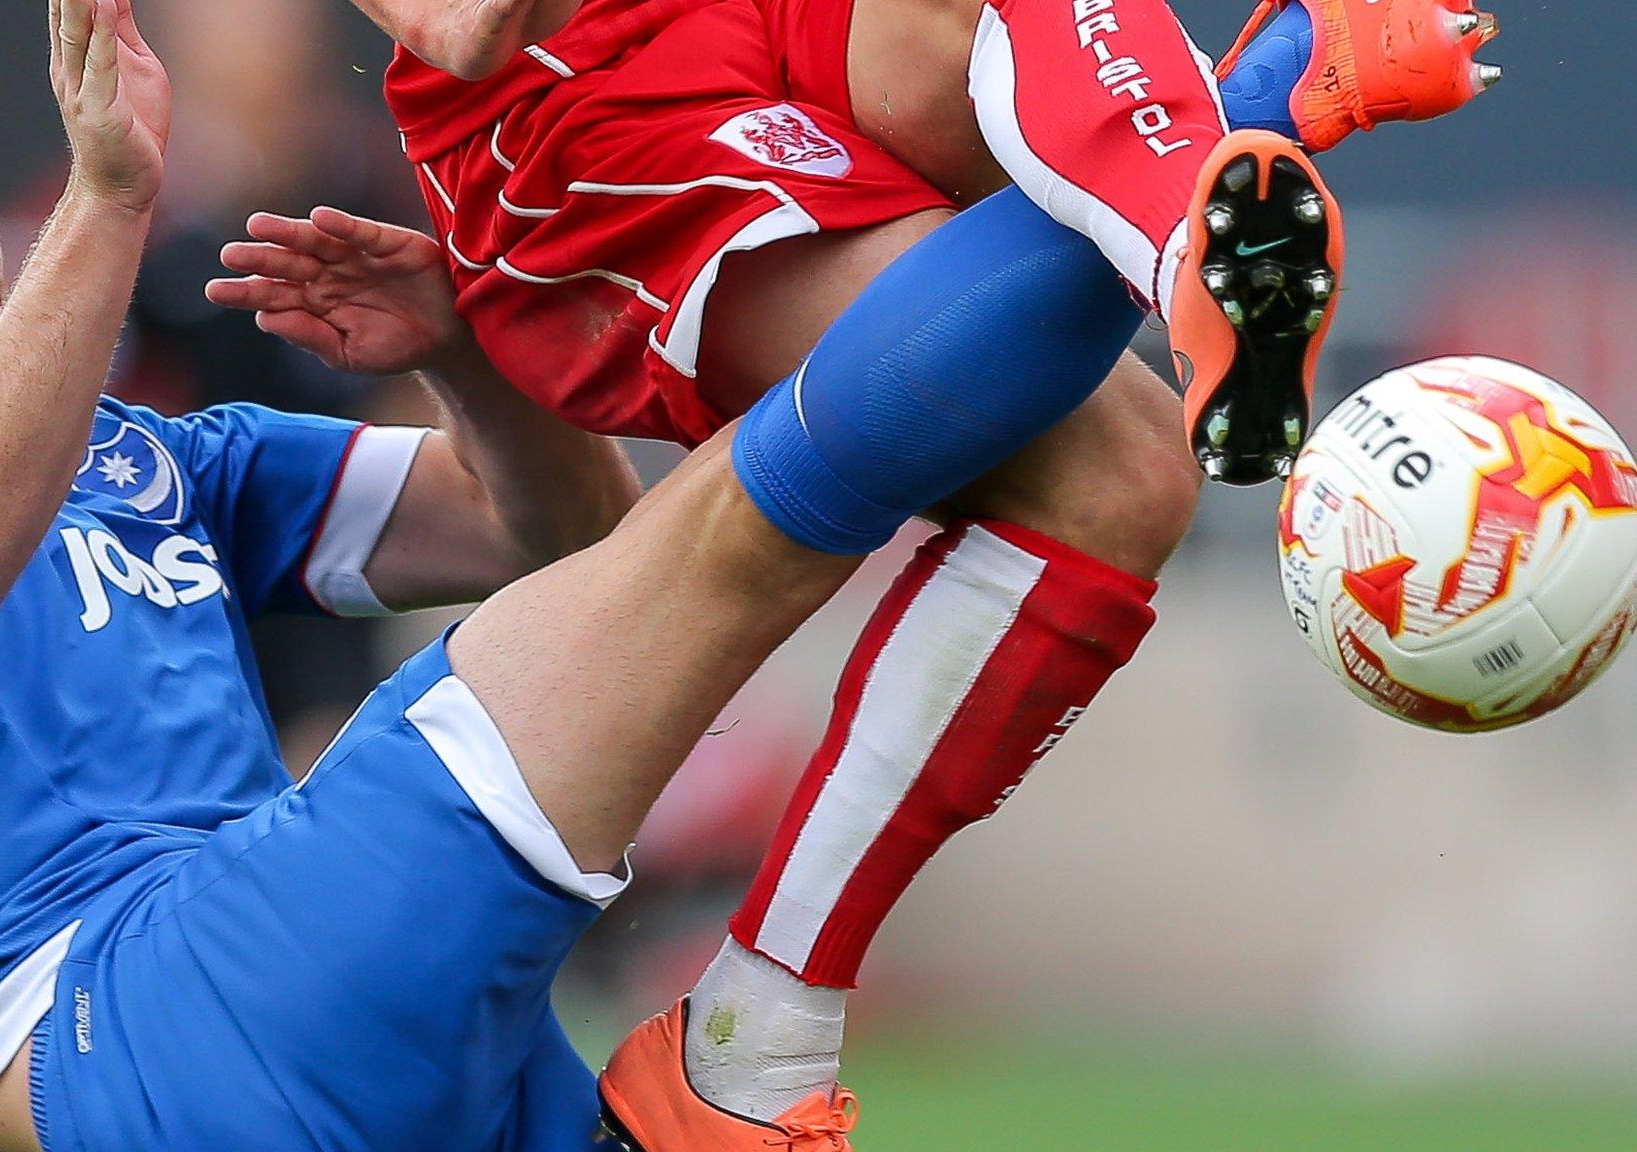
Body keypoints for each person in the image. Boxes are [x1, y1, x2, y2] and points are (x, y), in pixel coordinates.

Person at [209, 0, 1499, 1144]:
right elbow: (465, 23)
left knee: (1124, 485)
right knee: (1113, 473)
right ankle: (1246, 124)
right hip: (577, 116)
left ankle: (748, 1038)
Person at [0, 1, 640, 1149]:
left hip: (242, 972)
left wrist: (466, 357)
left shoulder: (149, 456)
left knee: (632, 599)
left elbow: (559, 537)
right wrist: (111, 195)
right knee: (612, 617)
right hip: (57, 1019)